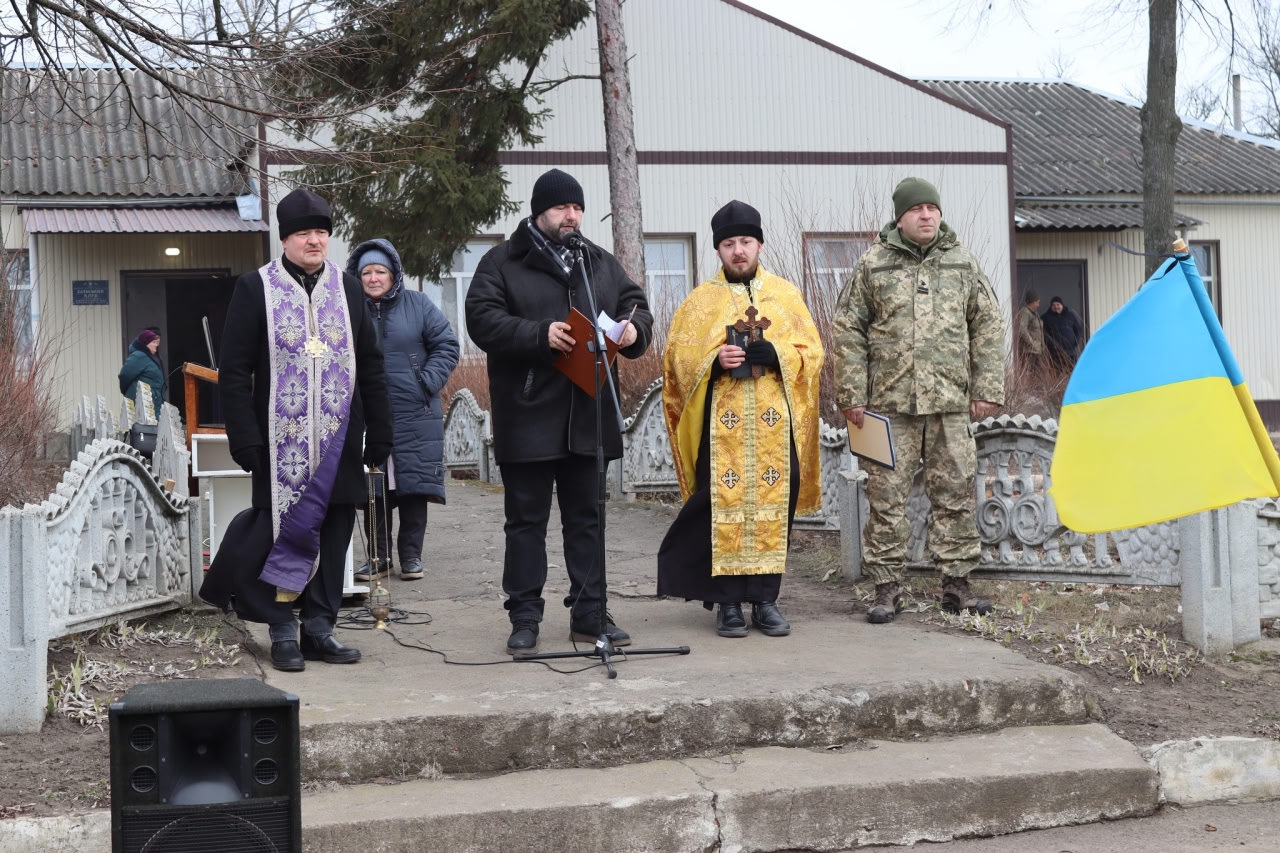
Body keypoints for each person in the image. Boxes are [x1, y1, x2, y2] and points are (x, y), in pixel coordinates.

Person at [202, 188, 393, 672]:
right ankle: (283, 628)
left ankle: (320, 628)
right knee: (278, 533)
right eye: (304, 233)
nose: (314, 241)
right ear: (285, 239)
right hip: (279, 442)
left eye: (322, 233)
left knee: (333, 533)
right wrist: (242, 436)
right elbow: (235, 368)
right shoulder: (256, 287)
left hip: (339, 436)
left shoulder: (348, 288)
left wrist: (382, 430)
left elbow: (370, 364)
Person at [465, 168, 653, 655]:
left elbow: (636, 305)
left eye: (576, 208)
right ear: (539, 211)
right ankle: (525, 615)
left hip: (587, 414)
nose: (571, 217)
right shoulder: (502, 262)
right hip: (528, 412)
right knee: (525, 522)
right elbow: (482, 320)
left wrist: (634, 334)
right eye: (560, 209)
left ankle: (590, 613)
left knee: (587, 519)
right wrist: (538, 335)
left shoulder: (599, 262)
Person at [832, 177, 1005, 624]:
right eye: (917, 209)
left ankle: (957, 585)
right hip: (886, 407)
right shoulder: (874, 264)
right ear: (900, 217)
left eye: (932, 208)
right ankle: (887, 588)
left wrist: (986, 389)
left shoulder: (962, 263)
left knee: (954, 494)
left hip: (949, 403)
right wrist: (852, 395)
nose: (926, 215)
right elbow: (848, 329)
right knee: (885, 497)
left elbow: (987, 325)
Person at [657, 201, 823, 638]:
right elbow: (676, 359)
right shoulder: (700, 302)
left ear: (760, 244)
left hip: (773, 424)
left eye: (745, 241)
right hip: (723, 427)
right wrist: (713, 361)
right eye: (729, 244)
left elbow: (814, 351)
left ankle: (766, 600)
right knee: (722, 505)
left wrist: (779, 354)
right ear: (718, 250)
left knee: (774, 506)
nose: (738, 251)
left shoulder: (785, 296)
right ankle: (728, 604)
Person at [345, 239, 459, 582]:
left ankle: (411, 556)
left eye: (380, 271)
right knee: (373, 487)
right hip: (368, 415)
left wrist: (425, 382)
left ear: (394, 275)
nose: (374, 278)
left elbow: (447, 345)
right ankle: (379, 557)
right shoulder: (348, 308)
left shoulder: (419, 304)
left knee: (413, 486)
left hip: (415, 412)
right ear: (357, 276)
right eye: (366, 272)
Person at [118, 328, 166, 413]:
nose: (156, 345)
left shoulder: (151, 357)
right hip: (142, 405)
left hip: (152, 403)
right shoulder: (139, 356)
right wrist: (127, 391)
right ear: (146, 344)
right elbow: (124, 375)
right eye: (153, 342)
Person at [1041, 295, 1084, 371]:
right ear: (1051, 306)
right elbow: (1042, 334)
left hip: (1070, 352)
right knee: (1056, 375)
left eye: (1058, 305)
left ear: (1062, 305)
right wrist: (1051, 344)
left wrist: (1076, 341)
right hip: (1054, 353)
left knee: (1072, 374)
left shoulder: (1070, 315)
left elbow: (1079, 330)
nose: (1056, 307)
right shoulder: (1045, 318)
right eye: (1053, 305)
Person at [1016, 289, 1044, 370]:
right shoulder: (1025, 312)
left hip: (1036, 351)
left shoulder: (1034, 313)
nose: (1038, 305)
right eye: (1037, 302)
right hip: (1029, 352)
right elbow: (1022, 329)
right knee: (1031, 374)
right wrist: (1031, 343)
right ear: (1032, 302)